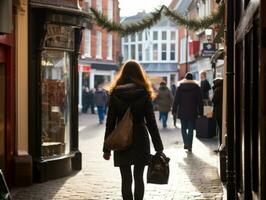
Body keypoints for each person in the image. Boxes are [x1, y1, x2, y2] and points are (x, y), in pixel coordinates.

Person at [103, 60, 164, 200]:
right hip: (140, 137)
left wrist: (106, 149)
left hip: (121, 137)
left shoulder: (115, 94)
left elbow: (110, 123)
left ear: (122, 74)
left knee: (126, 179)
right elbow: (151, 122)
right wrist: (158, 147)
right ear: (139, 74)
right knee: (138, 178)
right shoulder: (144, 93)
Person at [172, 73, 203, 152]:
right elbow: (200, 101)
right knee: (191, 129)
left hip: (182, 111)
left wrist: (174, 110)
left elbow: (176, 100)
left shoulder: (180, 87)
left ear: (185, 78)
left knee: (183, 128)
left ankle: (186, 142)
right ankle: (189, 145)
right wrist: (201, 112)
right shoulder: (196, 87)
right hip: (192, 111)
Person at [212, 78, 223, 146]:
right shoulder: (223, 88)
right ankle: (221, 144)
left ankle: (221, 144)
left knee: (220, 128)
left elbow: (214, 100)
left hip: (218, 111)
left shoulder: (217, 89)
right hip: (221, 111)